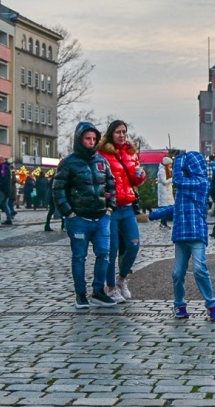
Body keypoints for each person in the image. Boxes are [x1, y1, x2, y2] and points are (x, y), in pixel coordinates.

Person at [53, 122, 116, 309]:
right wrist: (69, 213)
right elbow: (58, 189)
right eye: (88, 138)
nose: (91, 142)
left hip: (101, 217)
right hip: (79, 218)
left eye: (94, 139)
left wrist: (109, 208)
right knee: (79, 257)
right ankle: (80, 294)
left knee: (104, 254)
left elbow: (111, 185)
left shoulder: (102, 161)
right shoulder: (69, 162)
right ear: (80, 139)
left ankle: (98, 291)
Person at [98, 119, 146, 303]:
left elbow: (134, 181)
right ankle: (110, 287)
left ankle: (122, 279)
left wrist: (140, 177)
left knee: (134, 244)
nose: (122, 135)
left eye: (124, 132)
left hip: (127, 206)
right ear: (111, 133)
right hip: (111, 207)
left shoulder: (131, 153)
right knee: (112, 248)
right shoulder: (102, 154)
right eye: (118, 132)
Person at [170, 151, 215, 320]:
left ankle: (211, 305)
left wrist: (177, 161)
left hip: (197, 232)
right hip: (181, 234)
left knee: (200, 268)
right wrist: (156, 214)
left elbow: (177, 180)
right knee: (178, 273)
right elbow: (177, 208)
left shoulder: (201, 182)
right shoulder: (185, 187)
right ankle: (179, 305)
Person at [0, 157, 17, 225]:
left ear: (2, 160)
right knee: (5, 204)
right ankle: (9, 219)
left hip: (2, 189)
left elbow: (3, 178)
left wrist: (0, 186)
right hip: (7, 189)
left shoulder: (3, 167)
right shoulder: (5, 167)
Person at [157, 156, 175, 227]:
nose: (171, 165)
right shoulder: (162, 171)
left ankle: (164, 222)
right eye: (170, 164)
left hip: (167, 191)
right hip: (164, 191)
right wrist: (171, 179)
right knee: (164, 207)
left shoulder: (167, 170)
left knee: (167, 207)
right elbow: (164, 181)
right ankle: (163, 222)